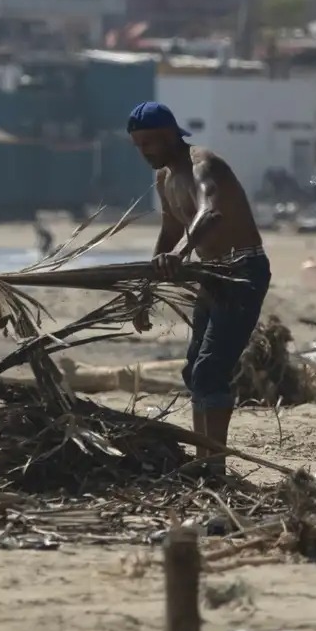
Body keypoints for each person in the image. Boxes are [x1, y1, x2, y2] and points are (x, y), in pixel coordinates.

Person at [126, 101, 270, 479]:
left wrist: (180, 254)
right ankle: (201, 458)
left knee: (211, 370)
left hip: (242, 271)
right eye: (137, 145)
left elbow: (210, 212)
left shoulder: (203, 164)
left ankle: (214, 466)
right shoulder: (164, 178)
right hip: (211, 275)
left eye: (149, 144)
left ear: (170, 136)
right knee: (195, 370)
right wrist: (146, 291)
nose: (143, 153)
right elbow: (170, 231)